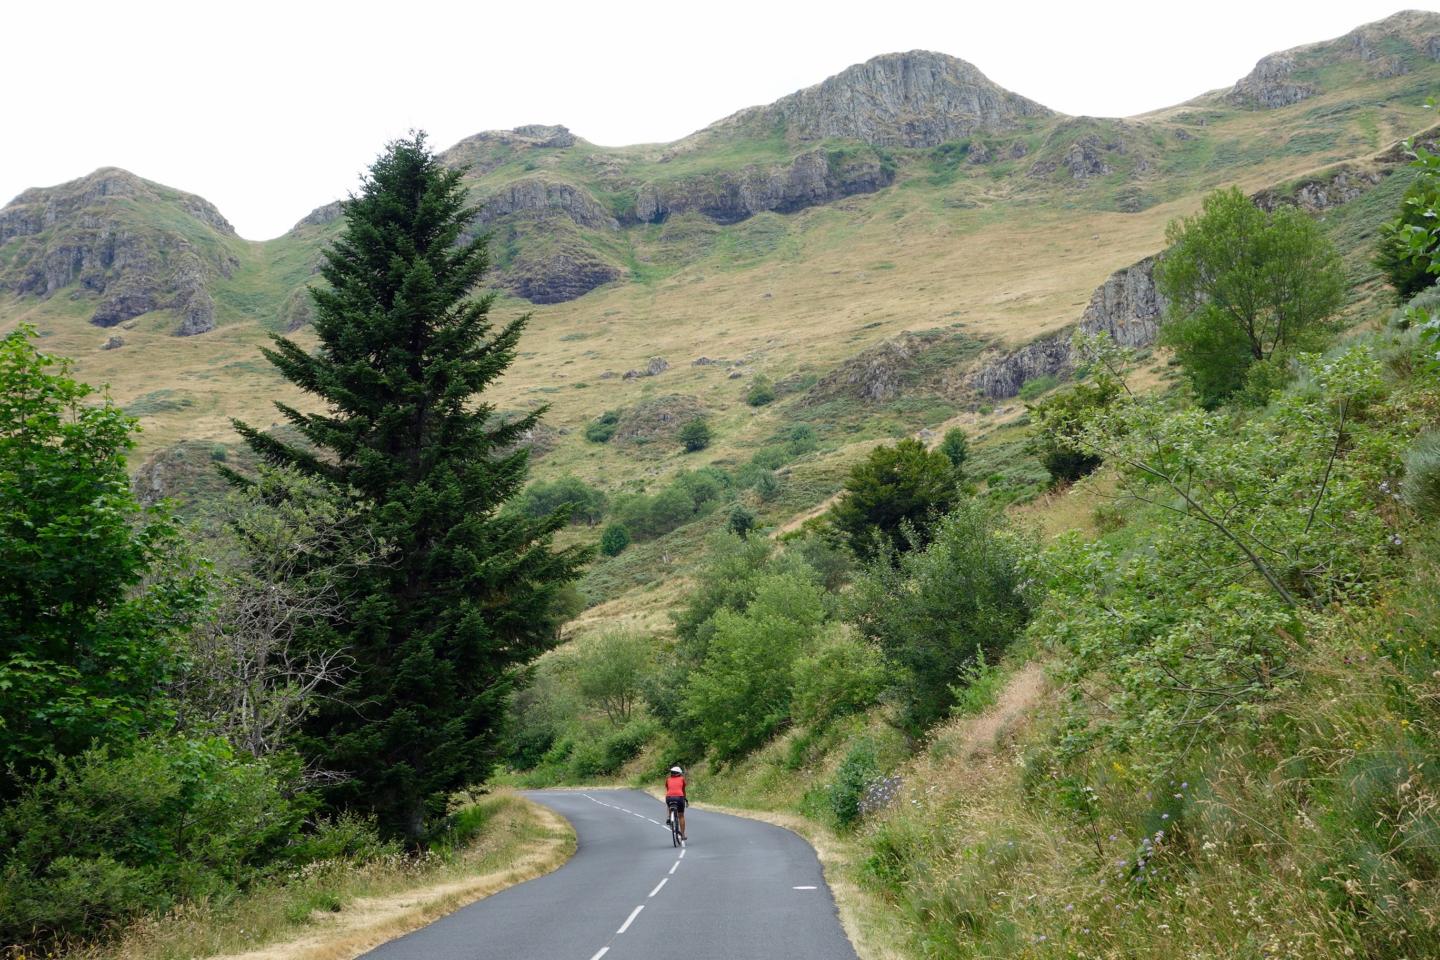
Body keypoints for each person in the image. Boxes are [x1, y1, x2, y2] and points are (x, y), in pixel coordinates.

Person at [665, 765, 687, 841]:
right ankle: (683, 835)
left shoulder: (668, 779)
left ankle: (669, 817)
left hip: (669, 797)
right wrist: (685, 799)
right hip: (680, 797)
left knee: (669, 805)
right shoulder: (682, 779)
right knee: (681, 816)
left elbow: (668, 789)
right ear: (679, 773)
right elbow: (683, 790)